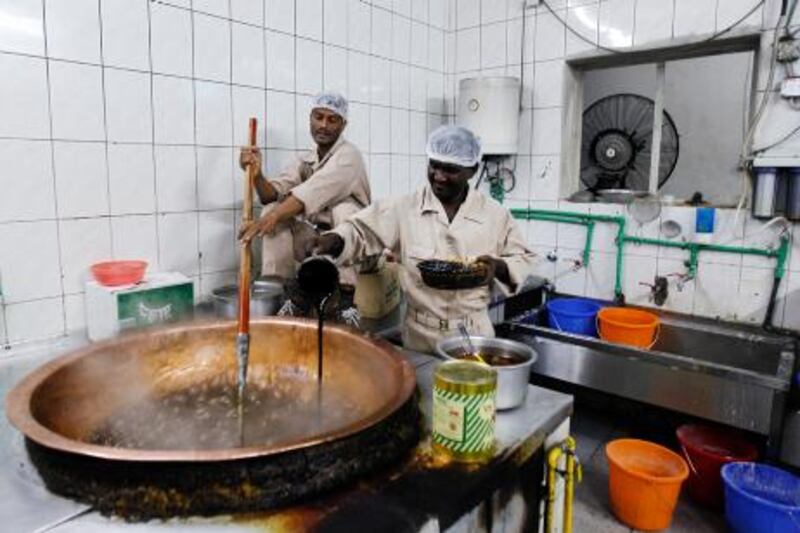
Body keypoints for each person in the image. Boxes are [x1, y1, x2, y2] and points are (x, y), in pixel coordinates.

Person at [312, 125, 537, 353]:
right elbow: (361, 230)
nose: (438, 176)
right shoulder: (405, 207)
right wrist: (334, 239)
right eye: (434, 165)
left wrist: (498, 267)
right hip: (419, 337)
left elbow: (524, 258)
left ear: (473, 170)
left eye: (450, 169)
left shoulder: (495, 215)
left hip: (472, 335)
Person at [238, 91, 369, 286]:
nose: (324, 125)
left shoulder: (349, 156)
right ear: (311, 119)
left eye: (332, 120)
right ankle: (280, 290)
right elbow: (270, 196)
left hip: (355, 247)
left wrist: (269, 219)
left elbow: (310, 194)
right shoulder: (306, 159)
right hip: (317, 241)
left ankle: (343, 299)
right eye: (319, 117)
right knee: (271, 210)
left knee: (344, 211)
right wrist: (257, 175)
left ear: (343, 125)